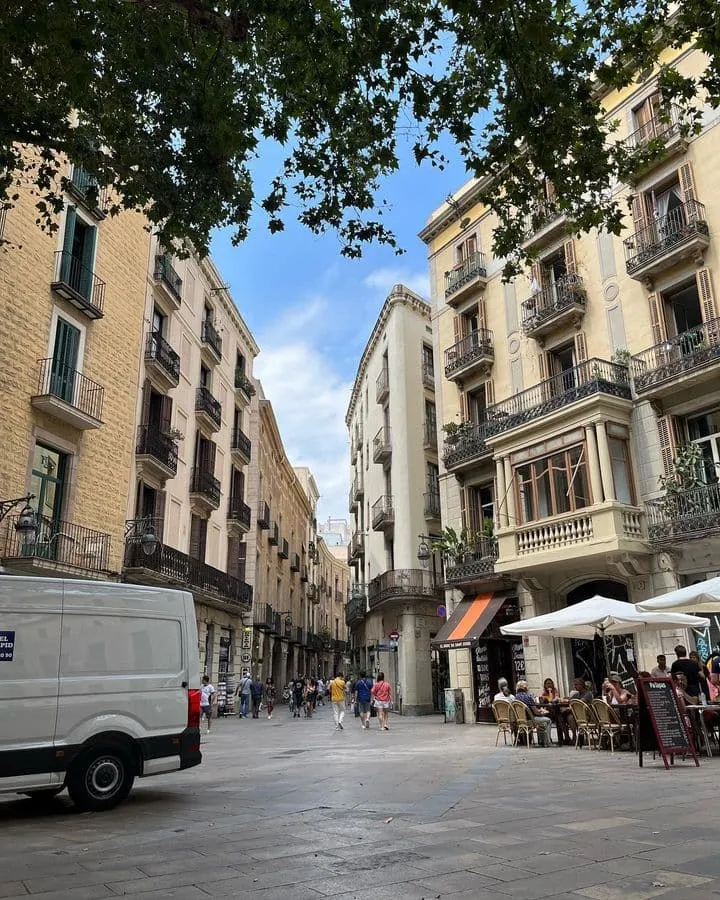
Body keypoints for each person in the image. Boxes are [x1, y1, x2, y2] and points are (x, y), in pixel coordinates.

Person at [515, 680, 552, 747]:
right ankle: (547, 742)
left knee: (541, 720)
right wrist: (543, 712)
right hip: (530, 720)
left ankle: (541, 741)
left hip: (521, 721)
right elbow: (536, 712)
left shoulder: (516, 697)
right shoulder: (528, 697)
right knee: (548, 720)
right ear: (525, 688)